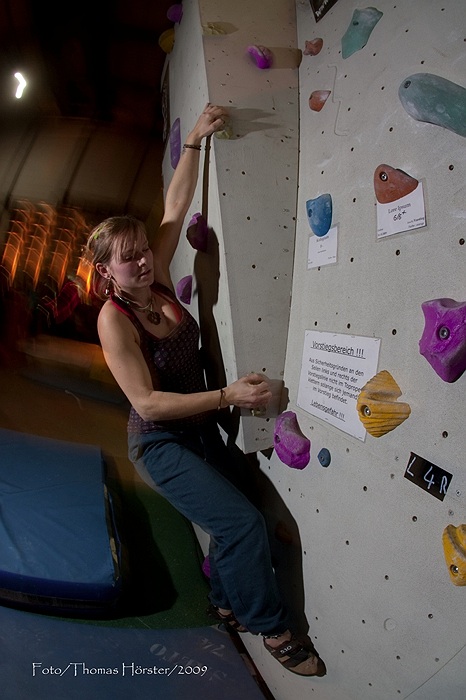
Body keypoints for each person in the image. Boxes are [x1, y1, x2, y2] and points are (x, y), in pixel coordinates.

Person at [86, 103, 326, 677]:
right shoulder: (114, 320)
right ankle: (271, 628)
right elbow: (147, 403)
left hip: (197, 431)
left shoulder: (157, 281)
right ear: (106, 271)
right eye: (128, 258)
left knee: (236, 514)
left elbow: (175, 206)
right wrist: (226, 398)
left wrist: (195, 137)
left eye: (145, 249)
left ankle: (224, 600)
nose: (144, 260)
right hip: (160, 443)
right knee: (241, 523)